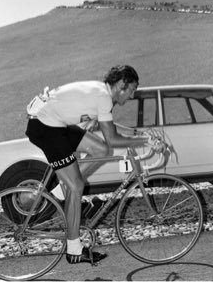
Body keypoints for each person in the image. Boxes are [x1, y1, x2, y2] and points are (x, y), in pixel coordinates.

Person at [25, 65, 149, 265]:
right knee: (77, 186)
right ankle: (74, 249)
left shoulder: (101, 92)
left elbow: (106, 131)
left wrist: (135, 134)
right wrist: (144, 140)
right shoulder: (104, 97)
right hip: (46, 128)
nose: (132, 95)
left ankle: (60, 190)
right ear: (121, 85)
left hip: (54, 123)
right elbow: (113, 139)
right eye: (132, 89)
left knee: (100, 150)